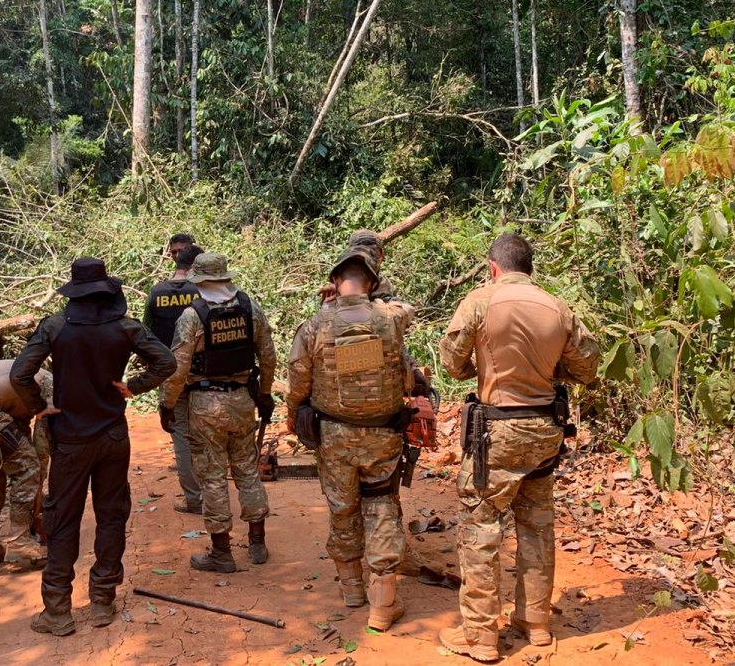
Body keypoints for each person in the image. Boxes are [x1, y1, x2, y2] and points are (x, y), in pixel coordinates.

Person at [437, 234, 599, 663]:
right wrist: (546, 366)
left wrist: (484, 367)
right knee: (536, 523)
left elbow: (452, 365)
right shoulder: (557, 306)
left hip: (497, 434)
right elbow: (587, 366)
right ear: (530, 268)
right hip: (546, 430)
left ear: (493, 267)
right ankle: (536, 622)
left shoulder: (480, 301)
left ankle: (481, 636)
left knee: (481, 527)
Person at [10, 257, 176, 636]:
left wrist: (39, 406)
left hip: (70, 438)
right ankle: (103, 599)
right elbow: (166, 360)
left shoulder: (54, 327)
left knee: (63, 520)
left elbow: (20, 374)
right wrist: (135, 385)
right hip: (114, 436)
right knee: (111, 514)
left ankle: (57, 610)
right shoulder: (126, 327)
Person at [286, 246, 412, 632]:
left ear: (334, 282)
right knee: (382, 508)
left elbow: (297, 378)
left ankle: (352, 590)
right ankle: (382, 606)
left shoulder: (315, 325)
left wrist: (293, 414)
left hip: (335, 435)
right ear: (373, 284)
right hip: (382, 433)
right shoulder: (391, 319)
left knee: (342, 509)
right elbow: (405, 308)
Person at [161, 251, 278, 571]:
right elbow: (268, 356)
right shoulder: (249, 308)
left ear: (199, 281)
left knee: (212, 477)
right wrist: (265, 393)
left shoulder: (192, 316)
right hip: (242, 401)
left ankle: (222, 552)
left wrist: (167, 404)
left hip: (205, 405)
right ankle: (257, 543)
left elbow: (178, 369)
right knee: (247, 470)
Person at [0, 360, 52, 570]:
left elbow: (21, 428)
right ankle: (18, 540)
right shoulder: (51, 385)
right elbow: (41, 449)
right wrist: (36, 492)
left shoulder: (32, 378)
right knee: (28, 468)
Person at [143, 243, 204, 513]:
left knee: (181, 437)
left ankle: (194, 499)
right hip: (201, 374)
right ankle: (212, 496)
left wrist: (154, 368)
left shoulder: (156, 292)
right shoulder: (203, 292)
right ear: (196, 265)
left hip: (168, 374)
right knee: (204, 435)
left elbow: (145, 334)